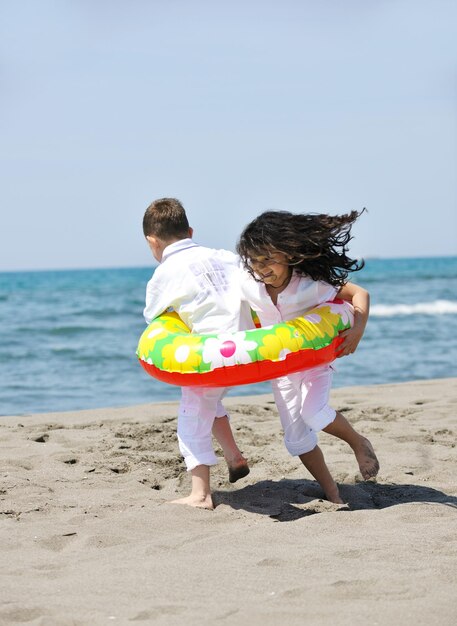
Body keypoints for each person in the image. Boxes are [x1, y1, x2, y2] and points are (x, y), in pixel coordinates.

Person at [237, 209, 379, 504]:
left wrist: (358, 330)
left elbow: (359, 294)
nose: (261, 268)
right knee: (297, 437)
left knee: (314, 412)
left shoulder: (311, 284)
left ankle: (358, 442)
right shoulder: (250, 286)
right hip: (282, 368)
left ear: (287, 254)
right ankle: (333, 494)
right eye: (255, 261)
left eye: (268, 260)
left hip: (314, 361)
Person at [142, 198, 251, 509]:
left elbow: (154, 317)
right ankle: (234, 458)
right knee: (209, 401)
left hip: (212, 356)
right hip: (248, 349)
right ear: (189, 231)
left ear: (152, 241)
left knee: (191, 415)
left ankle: (200, 494)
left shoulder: (165, 272)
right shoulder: (223, 256)